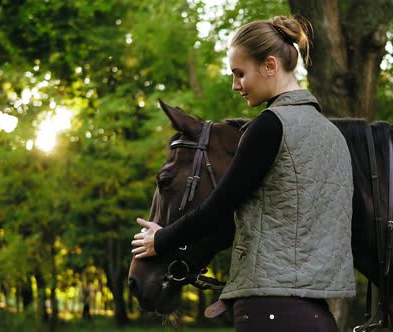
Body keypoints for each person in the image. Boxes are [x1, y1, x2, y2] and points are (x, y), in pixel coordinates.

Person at [132, 15, 355, 332]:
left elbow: (219, 208)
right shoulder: (332, 135)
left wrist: (162, 239)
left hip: (268, 310)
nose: (235, 85)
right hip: (318, 315)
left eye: (240, 74)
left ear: (270, 65)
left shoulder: (269, 125)